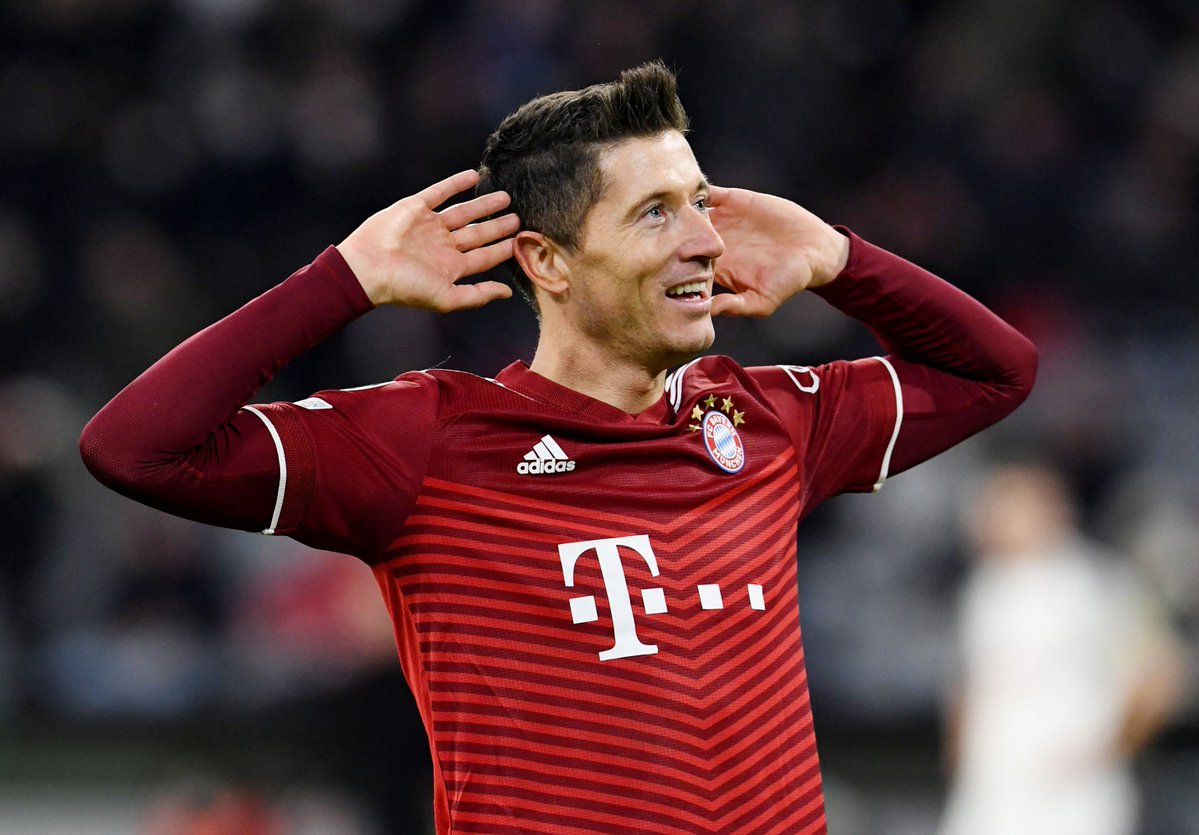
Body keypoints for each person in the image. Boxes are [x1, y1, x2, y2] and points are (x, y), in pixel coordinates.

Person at [80, 62, 1037, 834]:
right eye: (656, 211)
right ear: (548, 261)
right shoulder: (429, 442)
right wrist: (343, 281)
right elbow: (135, 449)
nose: (704, 240)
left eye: (699, 202)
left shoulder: (765, 420)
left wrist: (841, 260)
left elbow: (998, 373)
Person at [939, 462, 1185, 835]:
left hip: (1074, 803)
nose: (987, 519)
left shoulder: (1098, 581)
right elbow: (970, 681)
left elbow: (1161, 676)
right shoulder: (985, 588)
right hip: (990, 796)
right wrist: (960, 752)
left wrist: (1105, 752)